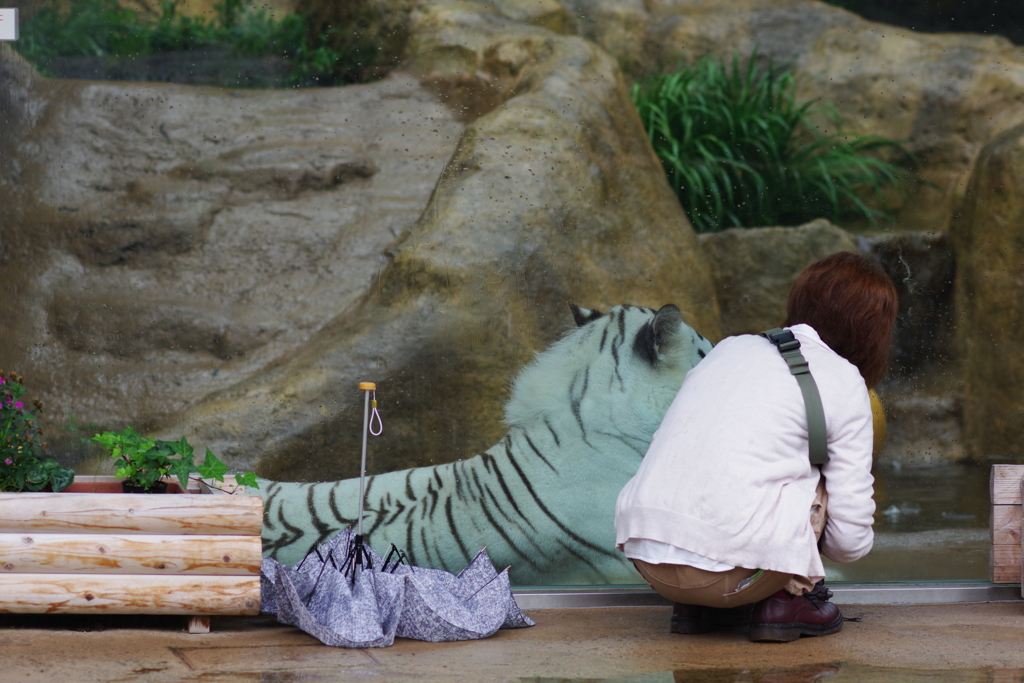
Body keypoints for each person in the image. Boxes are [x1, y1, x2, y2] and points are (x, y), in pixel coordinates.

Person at [614, 251, 898, 642]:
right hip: (730, 576)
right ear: (873, 330)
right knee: (815, 476)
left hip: (647, 558)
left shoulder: (730, 348)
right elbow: (850, 542)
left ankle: (698, 611)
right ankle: (788, 601)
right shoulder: (843, 379)